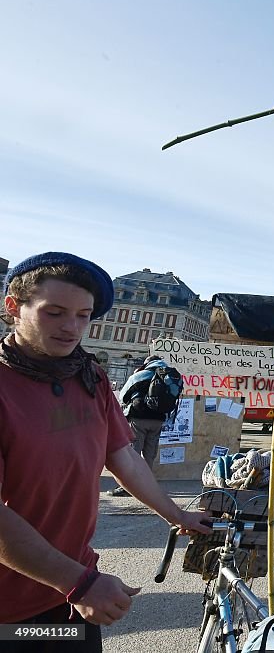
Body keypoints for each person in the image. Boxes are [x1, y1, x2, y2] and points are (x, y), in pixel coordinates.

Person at [0, 252, 210, 646]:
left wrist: (176, 513)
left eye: (83, 315)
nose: (71, 328)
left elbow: (123, 457)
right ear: (13, 307)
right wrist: (78, 583)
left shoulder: (89, 375)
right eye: (55, 313)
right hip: (11, 608)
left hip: (70, 591)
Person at [107, 354, 180, 497]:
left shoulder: (142, 374)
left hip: (138, 418)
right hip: (159, 419)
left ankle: (129, 487)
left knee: (133, 452)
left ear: (147, 363)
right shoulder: (168, 376)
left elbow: (123, 396)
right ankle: (147, 486)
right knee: (149, 454)